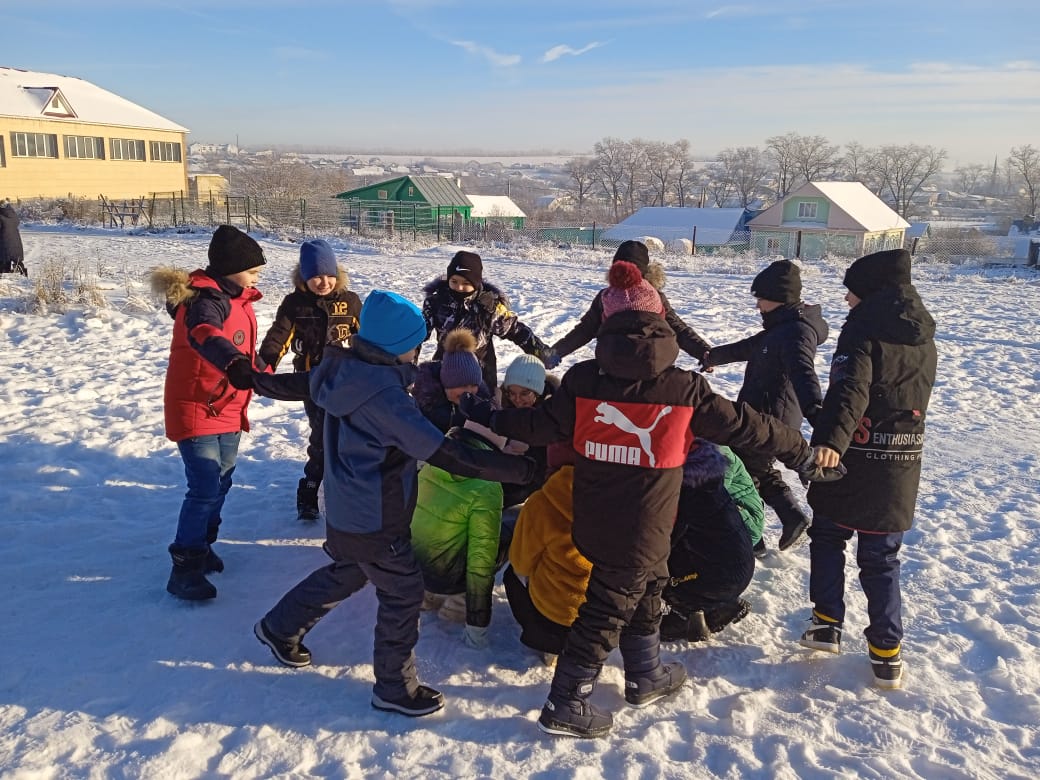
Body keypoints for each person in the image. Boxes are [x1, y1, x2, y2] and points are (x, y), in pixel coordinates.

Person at [459, 260, 840, 738]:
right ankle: (566, 702)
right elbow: (750, 426)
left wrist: (488, 416)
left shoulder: (584, 383)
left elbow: (538, 425)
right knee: (605, 610)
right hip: (646, 523)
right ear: (661, 324)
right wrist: (803, 456)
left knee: (651, 585)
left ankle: (646, 673)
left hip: (596, 517)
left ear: (607, 326)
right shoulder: (683, 389)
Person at [253, 289, 536, 718]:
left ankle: (279, 626)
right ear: (394, 347)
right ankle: (394, 687)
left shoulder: (342, 370)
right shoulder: (386, 401)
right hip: (376, 516)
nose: (417, 352)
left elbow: (291, 384)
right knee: (403, 594)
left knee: (350, 571)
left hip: (348, 510)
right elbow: (445, 453)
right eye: (413, 344)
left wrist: (245, 374)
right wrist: (520, 471)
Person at [798, 248, 936, 691]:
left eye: (851, 292)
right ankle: (886, 654)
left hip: (853, 457)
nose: (846, 300)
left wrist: (830, 443)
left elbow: (849, 391)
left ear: (870, 292)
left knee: (828, 535)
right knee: (881, 559)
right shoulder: (923, 336)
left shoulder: (862, 331)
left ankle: (826, 623)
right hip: (901, 462)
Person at [153, 225, 270, 601]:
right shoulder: (204, 300)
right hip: (196, 406)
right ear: (230, 268)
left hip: (229, 406)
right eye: (252, 269)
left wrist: (269, 375)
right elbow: (206, 333)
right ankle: (184, 567)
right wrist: (233, 362)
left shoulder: (240, 300)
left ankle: (202, 547)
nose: (257, 276)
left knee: (221, 481)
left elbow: (245, 352)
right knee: (204, 485)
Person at [703, 260, 828, 553]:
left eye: (761, 298)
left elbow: (804, 373)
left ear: (779, 297)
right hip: (762, 410)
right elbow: (748, 347)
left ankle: (756, 535)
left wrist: (816, 411)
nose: (757, 304)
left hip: (773, 414)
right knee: (755, 468)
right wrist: (713, 357)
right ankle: (786, 519)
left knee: (746, 472)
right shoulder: (779, 327)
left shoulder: (796, 332)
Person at [259, 238, 362, 521]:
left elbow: (367, 337)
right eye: (316, 276)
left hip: (347, 382)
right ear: (304, 276)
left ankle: (345, 487)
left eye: (329, 275)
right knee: (321, 436)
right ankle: (309, 488)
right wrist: (265, 364)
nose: (324, 282)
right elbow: (279, 335)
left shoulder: (350, 301)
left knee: (348, 436)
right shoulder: (295, 304)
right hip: (312, 382)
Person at [411, 425, 509, 650]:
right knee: (506, 536)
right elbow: (481, 560)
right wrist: (477, 627)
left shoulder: (431, 463)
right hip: (448, 579)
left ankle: (427, 595)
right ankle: (459, 601)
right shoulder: (486, 487)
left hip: (413, 571)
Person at [660, 442, 763, 642]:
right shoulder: (706, 464)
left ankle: (686, 613)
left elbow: (665, 541)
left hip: (723, 566)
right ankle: (709, 608)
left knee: (654, 558)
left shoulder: (686, 483)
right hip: (739, 559)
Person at [551, 240, 711, 367]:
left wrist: (555, 352)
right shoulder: (656, 297)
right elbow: (679, 329)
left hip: (612, 362)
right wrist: (704, 352)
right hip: (654, 362)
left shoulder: (606, 297)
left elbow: (584, 331)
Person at [421, 250, 554, 391]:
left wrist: (539, 350)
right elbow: (418, 334)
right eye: (454, 281)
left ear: (476, 283)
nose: (459, 288)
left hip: (481, 371)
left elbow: (515, 330)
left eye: (466, 283)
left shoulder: (488, 306)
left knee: (481, 403)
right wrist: (408, 363)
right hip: (446, 367)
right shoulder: (436, 302)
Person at [499, 353, 561, 507]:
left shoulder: (553, 414)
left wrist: (529, 451)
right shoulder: (502, 407)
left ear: (538, 391)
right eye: (512, 393)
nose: (517, 399)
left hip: (540, 480)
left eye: (524, 393)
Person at [411, 328, 494, 434]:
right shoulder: (425, 405)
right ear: (447, 383)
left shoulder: (480, 405)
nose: (469, 391)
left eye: (474, 385)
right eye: (463, 385)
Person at [0, 199, 28, 276]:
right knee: (17, 260)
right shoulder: (13, 214)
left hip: (3, 243)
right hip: (15, 242)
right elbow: (17, 223)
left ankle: (4, 275)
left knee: (3, 259)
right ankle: (24, 274)